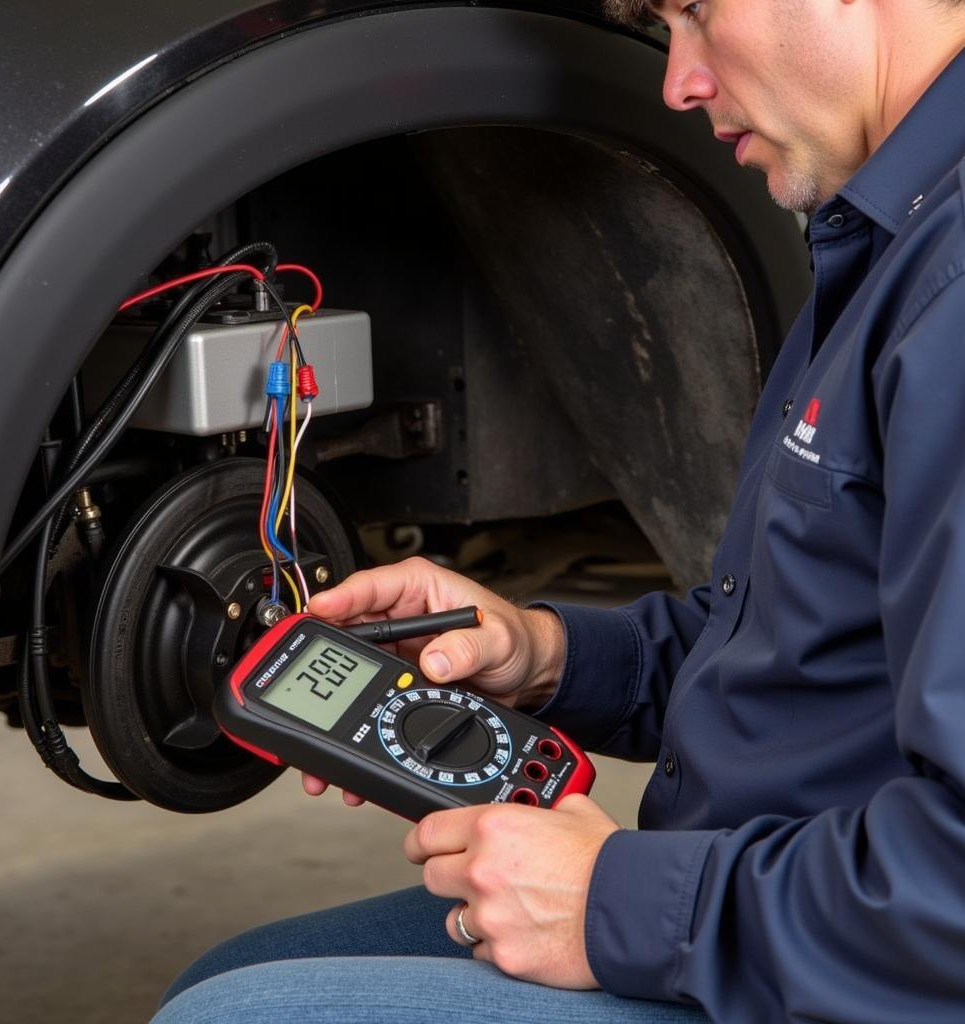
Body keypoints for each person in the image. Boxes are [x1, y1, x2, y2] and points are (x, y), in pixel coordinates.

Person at [153, 1, 965, 1020]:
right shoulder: (888, 232)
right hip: (759, 909)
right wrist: (545, 654)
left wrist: (617, 904)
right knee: (219, 982)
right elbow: (809, 661)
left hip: (827, 968)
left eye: (700, 12)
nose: (678, 81)